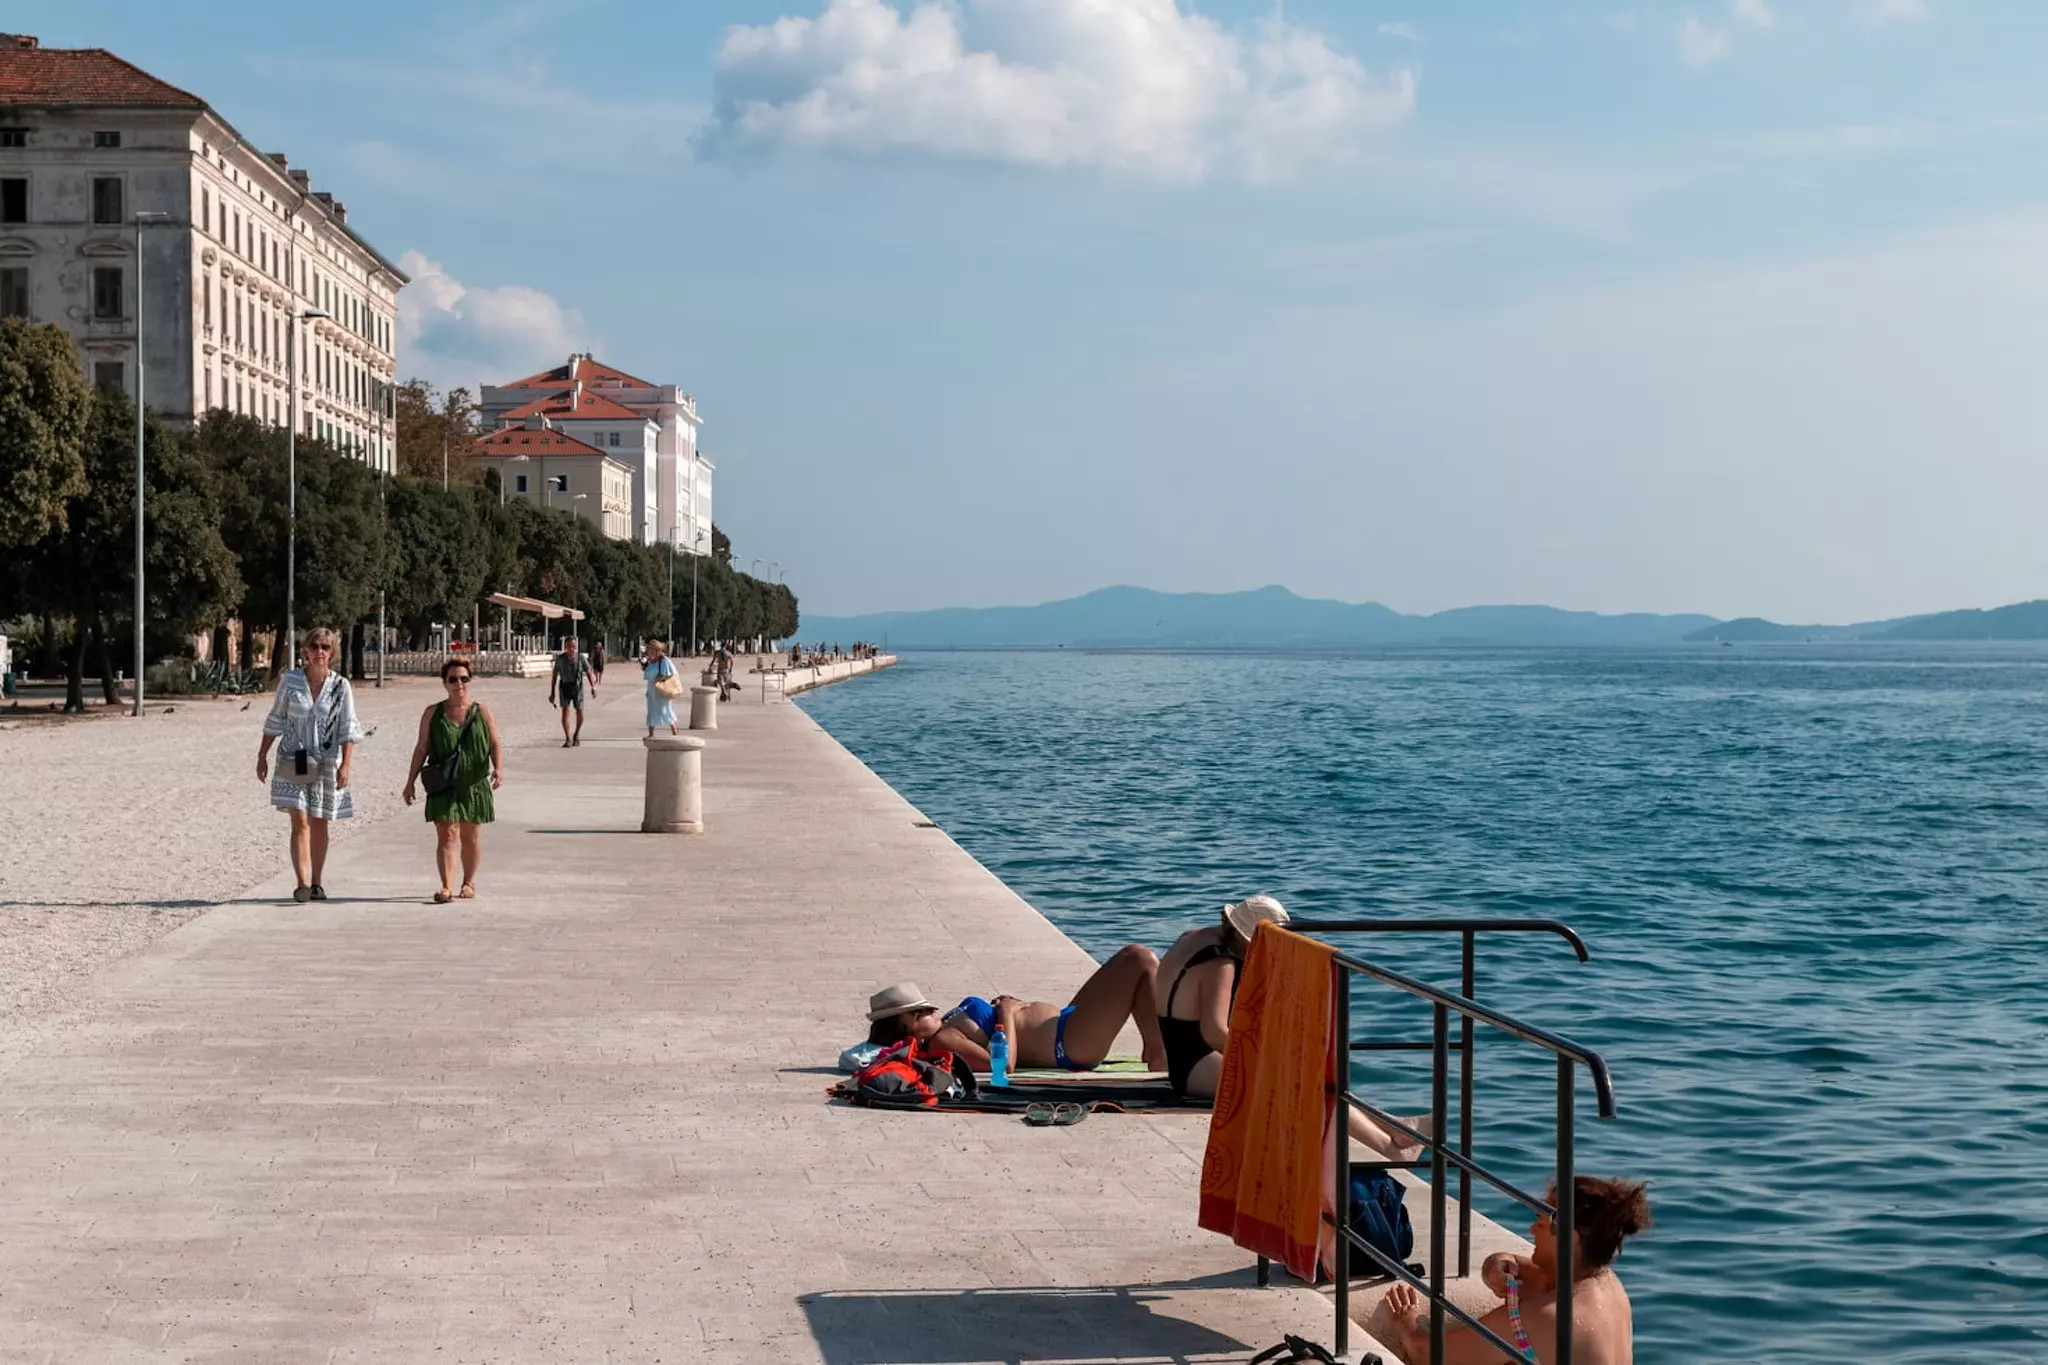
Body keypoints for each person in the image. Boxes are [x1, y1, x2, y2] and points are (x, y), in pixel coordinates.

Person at [1158, 895, 1429, 1159]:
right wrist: (1270, 1057)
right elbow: (1214, 1032)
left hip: (1184, 1058)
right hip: (1197, 1066)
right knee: (1300, 1080)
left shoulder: (1195, 937)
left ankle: (1393, 1125)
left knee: (1304, 1068)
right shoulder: (1221, 963)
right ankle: (1388, 1145)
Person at [1369, 1176, 1650, 1365]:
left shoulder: (1543, 1318)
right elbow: (1520, 1266)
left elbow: (1428, 1353)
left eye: (1540, 1222)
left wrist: (1407, 1322)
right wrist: (1495, 1265)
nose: (1531, 1230)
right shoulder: (1607, 1286)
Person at [865, 945, 1168, 1074]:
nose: (930, 1009)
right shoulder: (943, 1040)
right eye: (921, 1012)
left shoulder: (945, 1027)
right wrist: (1007, 1012)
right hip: (1068, 1045)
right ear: (905, 1023)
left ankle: (1155, 1051)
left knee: (1134, 959)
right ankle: (1158, 1055)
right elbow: (1002, 1068)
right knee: (1140, 960)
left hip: (1065, 1021)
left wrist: (1006, 1008)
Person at [255, 627, 363, 903]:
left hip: (327, 758)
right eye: (314, 646)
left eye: (325, 648)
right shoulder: (291, 681)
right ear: (305, 650)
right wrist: (262, 755)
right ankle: (302, 883)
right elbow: (276, 718)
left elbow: (347, 727)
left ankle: (317, 882)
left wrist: (346, 765)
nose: (319, 652)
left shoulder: (341, 687)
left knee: (319, 820)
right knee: (299, 818)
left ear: (332, 653)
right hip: (297, 755)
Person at [402, 657, 504, 903]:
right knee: (447, 834)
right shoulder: (432, 713)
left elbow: (494, 742)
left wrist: (498, 769)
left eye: (464, 679)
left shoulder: (483, 712)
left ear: (471, 680)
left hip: (474, 783)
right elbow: (421, 748)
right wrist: (410, 781)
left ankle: (468, 883)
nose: (459, 684)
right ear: (444, 683)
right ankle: (446, 886)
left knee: (470, 835)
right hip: (444, 783)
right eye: (453, 679)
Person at [550, 636, 597, 747]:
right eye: (569, 646)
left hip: (578, 687)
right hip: (564, 686)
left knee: (580, 711)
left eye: (574, 646)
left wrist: (593, 687)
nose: (572, 649)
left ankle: (576, 734)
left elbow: (589, 672)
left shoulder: (581, 658)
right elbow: (554, 675)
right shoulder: (560, 659)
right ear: (565, 647)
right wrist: (552, 692)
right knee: (565, 712)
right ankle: (568, 738)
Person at [643, 638, 679, 737]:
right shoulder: (650, 661)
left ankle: (674, 731)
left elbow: (671, 674)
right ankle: (651, 734)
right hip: (652, 689)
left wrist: (660, 678)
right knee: (651, 710)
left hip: (661, 689)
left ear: (656, 650)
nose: (649, 651)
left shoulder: (664, 660)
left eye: (651, 650)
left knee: (665, 709)